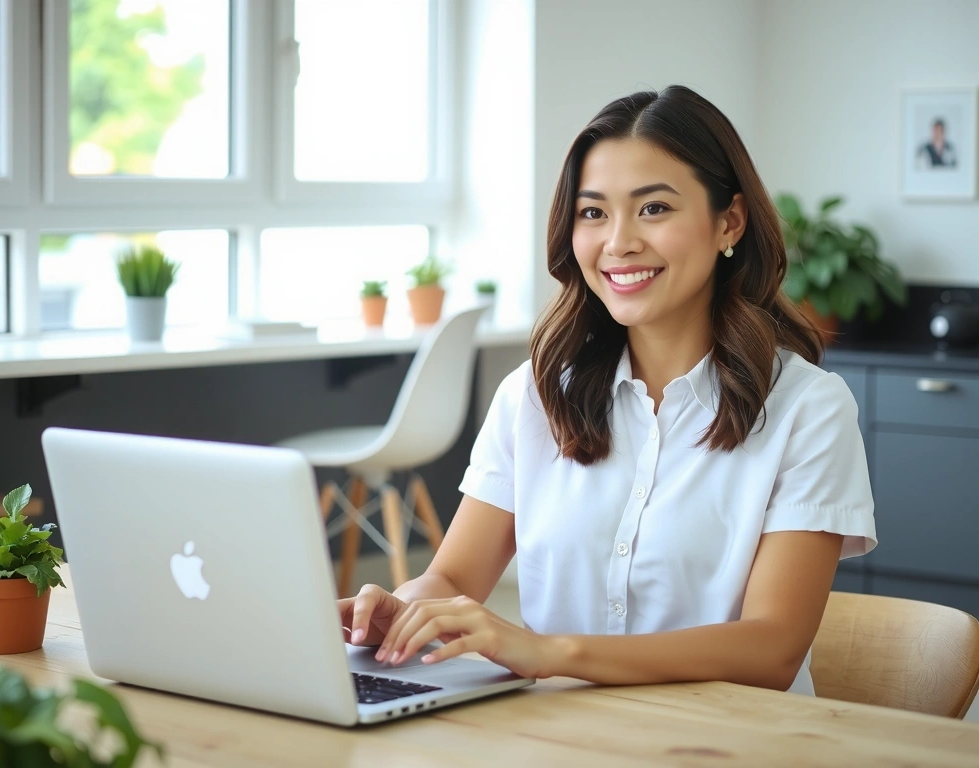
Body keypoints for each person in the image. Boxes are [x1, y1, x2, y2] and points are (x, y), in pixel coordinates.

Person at [339, 85, 876, 695]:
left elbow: (772, 647)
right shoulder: (534, 397)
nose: (618, 242)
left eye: (653, 209)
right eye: (593, 212)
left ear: (728, 221)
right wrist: (399, 610)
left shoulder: (808, 409)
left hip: (733, 743)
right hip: (561, 739)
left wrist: (549, 652)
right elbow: (453, 578)